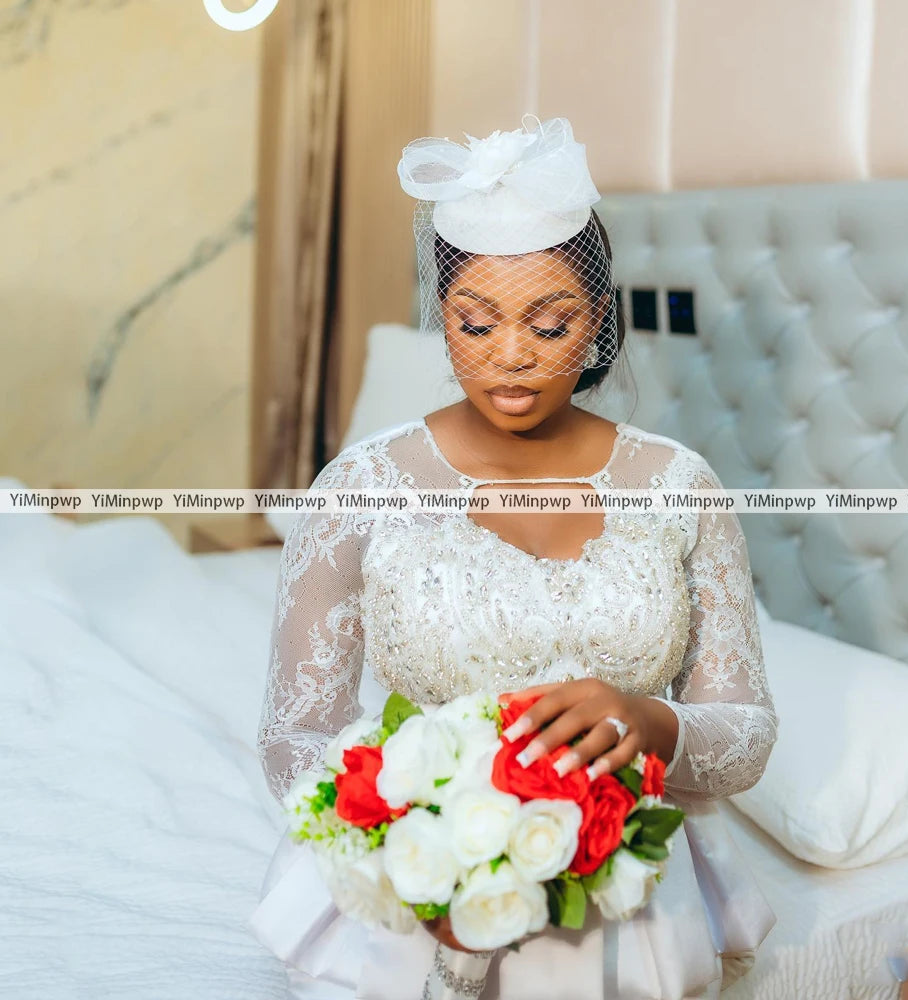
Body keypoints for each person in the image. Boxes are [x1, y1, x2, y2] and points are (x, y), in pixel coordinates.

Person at [251, 116, 778, 1000]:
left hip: (627, 898)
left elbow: (746, 730)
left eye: (551, 321)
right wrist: (416, 841)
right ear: (442, 316)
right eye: (476, 322)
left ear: (600, 319)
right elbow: (293, 733)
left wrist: (650, 724)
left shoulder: (679, 485)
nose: (512, 358)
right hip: (418, 886)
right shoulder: (363, 484)